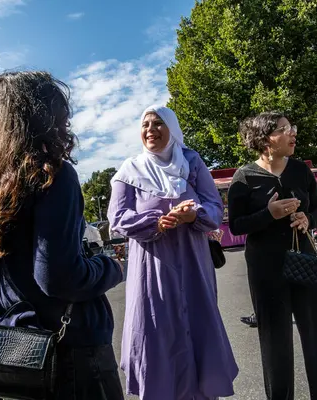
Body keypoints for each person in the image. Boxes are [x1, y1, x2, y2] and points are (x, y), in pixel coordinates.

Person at [0, 71, 125, 399]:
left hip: (11, 355)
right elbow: (60, 278)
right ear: (47, 117)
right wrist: (110, 268)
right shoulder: (52, 174)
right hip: (70, 355)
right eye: (63, 115)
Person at [108, 105, 238, 400]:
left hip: (193, 260)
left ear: (172, 128)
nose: (151, 130)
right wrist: (156, 223)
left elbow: (215, 207)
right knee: (156, 328)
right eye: (145, 124)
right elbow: (117, 219)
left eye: (158, 123)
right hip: (152, 265)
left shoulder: (191, 162)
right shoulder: (129, 170)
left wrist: (194, 216)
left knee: (197, 323)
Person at [228, 111, 317, 399]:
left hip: (303, 262)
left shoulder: (300, 170)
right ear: (266, 139)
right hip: (265, 269)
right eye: (284, 129)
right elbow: (237, 225)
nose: (293, 133)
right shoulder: (244, 177)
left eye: (291, 127)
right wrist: (269, 213)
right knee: (275, 342)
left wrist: (309, 221)